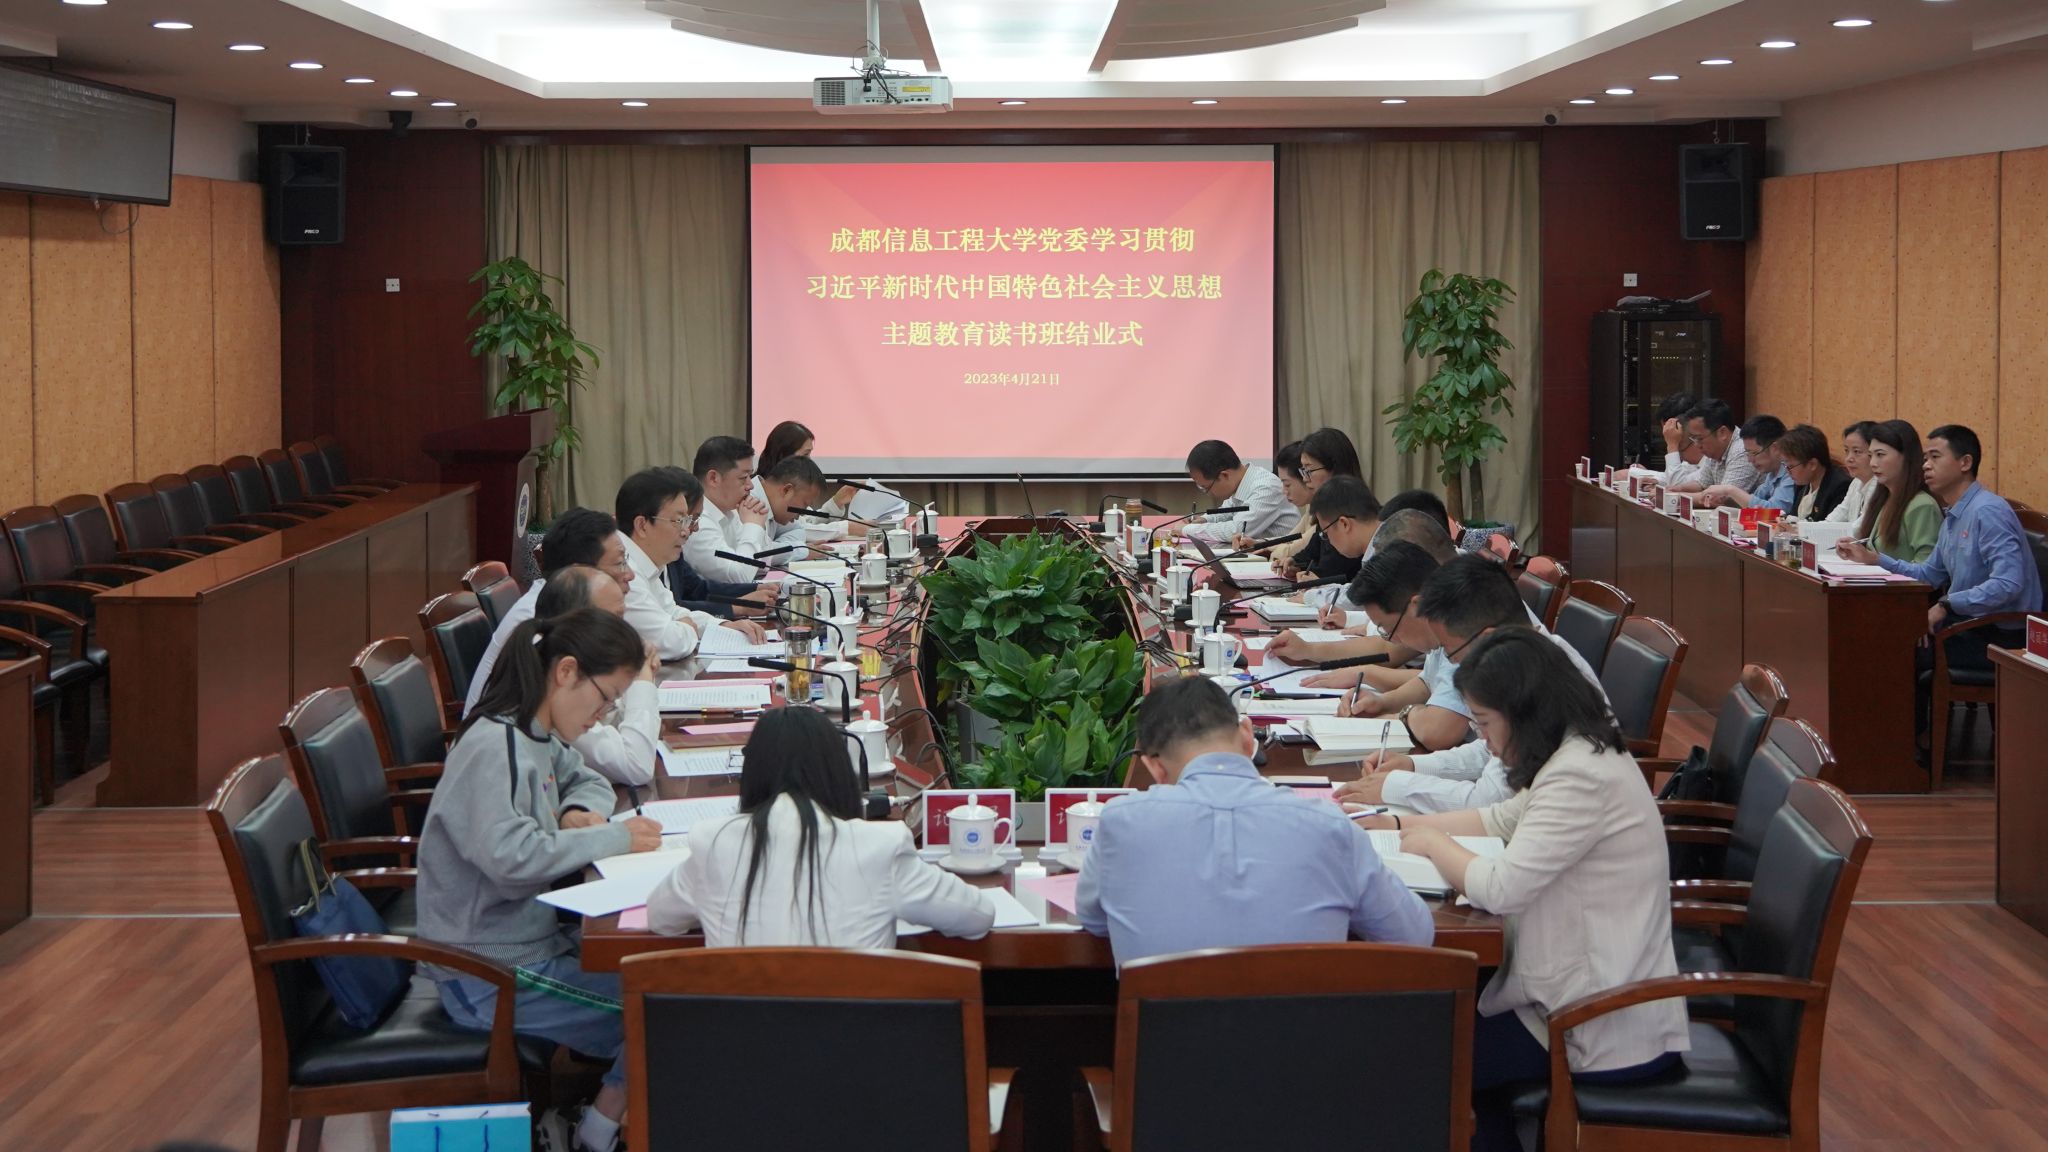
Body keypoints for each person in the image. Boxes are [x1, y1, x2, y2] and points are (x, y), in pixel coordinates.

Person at [1359, 630, 1687, 1151]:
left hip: (1595, 1016)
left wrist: (1432, 842)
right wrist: (1397, 824)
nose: (1484, 741)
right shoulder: (1572, 753)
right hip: (1567, 991)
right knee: (1427, 1046)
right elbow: (1499, 819)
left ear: (1525, 711)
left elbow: (1501, 888)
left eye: (1485, 723)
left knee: (1414, 1064)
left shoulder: (1580, 776)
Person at [418, 607, 665, 1152]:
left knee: (663, 980)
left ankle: (603, 1120)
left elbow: (589, 780)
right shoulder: (495, 746)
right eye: (605, 698)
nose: (602, 716)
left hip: (528, 943)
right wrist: (612, 839)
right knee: (663, 1010)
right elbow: (512, 860)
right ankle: (593, 1135)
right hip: (488, 972)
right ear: (566, 671)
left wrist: (574, 810)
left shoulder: (533, 732)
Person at [1073, 676, 1433, 967]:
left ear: (1154, 768)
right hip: (1307, 1037)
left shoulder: (1120, 823)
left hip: (1168, 1038)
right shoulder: (1329, 825)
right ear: (1248, 737)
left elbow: (1094, 920)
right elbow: (1413, 935)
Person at [647, 707, 995, 944]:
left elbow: (661, 918)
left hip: (741, 1035)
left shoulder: (713, 842)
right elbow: (977, 916)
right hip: (858, 1033)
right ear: (839, 772)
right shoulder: (881, 846)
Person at [1335, 553, 1609, 812]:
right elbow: (1490, 754)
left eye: (1450, 651)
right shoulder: (1527, 660)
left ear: (1486, 639)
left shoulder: (1537, 681)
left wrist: (1396, 787)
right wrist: (1414, 765)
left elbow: (1489, 798)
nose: (1452, 664)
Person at [1839, 424, 2042, 736]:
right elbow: (1928, 574)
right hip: (1969, 626)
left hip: (2001, 637)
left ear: (1965, 462)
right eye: (1924, 458)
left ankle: (1899, 744)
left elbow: (2008, 584)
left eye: (1935, 457)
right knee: (1881, 637)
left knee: (1892, 647)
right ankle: (1891, 741)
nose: (1926, 465)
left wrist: (1946, 605)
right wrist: (1875, 559)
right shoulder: (1954, 515)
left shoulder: (1988, 512)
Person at [467, 507, 635, 717]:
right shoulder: (544, 621)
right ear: (579, 571)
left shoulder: (566, 603)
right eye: (620, 563)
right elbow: (580, 717)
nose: (630, 574)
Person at [527, 566, 663, 788]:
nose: (620, 630)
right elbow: (636, 765)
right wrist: (641, 679)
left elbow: (587, 784)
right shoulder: (550, 697)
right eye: (614, 621)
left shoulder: (563, 688)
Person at [615, 466, 764, 662]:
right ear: (642, 525)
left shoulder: (648, 564)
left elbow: (674, 611)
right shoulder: (624, 571)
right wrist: (686, 627)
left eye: (687, 520)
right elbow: (669, 643)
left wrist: (721, 626)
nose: (687, 531)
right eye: (679, 521)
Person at [1837, 419, 1939, 563]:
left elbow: (1926, 568)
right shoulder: (1885, 498)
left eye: (1880, 455)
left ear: (1906, 457)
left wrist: (1874, 559)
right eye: (1871, 456)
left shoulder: (1922, 505)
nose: (1873, 463)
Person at [682, 436, 777, 583]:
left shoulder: (731, 510)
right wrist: (753, 526)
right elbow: (740, 577)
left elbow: (763, 565)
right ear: (713, 478)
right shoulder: (698, 523)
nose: (750, 485)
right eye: (743, 477)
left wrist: (755, 526)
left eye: (750, 476)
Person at [1279, 427, 1368, 581]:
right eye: (1303, 471)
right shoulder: (1326, 508)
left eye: (1309, 471)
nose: (1305, 479)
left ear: (1334, 467)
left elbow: (1336, 569)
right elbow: (1314, 549)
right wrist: (1296, 563)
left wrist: (1315, 578)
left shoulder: (1352, 510)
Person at [1178, 439, 1296, 542]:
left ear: (1224, 475)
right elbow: (1226, 512)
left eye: (1206, 488)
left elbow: (1236, 530)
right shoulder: (1242, 482)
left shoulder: (1265, 487)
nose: (1208, 494)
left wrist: (1187, 530)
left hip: (1283, 556)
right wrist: (1204, 519)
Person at [758, 419, 860, 514]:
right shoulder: (758, 497)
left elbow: (804, 522)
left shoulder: (789, 487)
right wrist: (847, 525)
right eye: (805, 454)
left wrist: (837, 502)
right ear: (784, 455)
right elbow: (803, 525)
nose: (809, 461)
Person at [1662, 398, 1758, 494]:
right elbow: (1702, 484)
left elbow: (1722, 497)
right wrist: (1678, 489)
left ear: (1722, 433)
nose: (1697, 445)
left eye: (1699, 438)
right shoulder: (1716, 452)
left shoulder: (1742, 450)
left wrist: (1676, 495)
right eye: (1694, 439)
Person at [1238, 440, 1311, 565]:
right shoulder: (1312, 506)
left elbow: (1300, 545)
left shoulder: (1329, 508)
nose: (1283, 491)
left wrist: (1270, 552)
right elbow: (1291, 538)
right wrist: (1258, 544)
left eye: (1287, 484)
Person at [1698, 415, 1791, 509]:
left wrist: (1730, 490)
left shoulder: (1790, 471)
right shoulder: (1772, 474)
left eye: (1754, 453)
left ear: (1775, 448)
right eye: (1748, 453)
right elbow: (1756, 500)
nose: (1750, 460)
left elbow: (1777, 510)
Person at [1777, 423, 1853, 521]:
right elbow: (1794, 516)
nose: (1788, 472)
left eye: (1791, 466)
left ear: (1812, 464)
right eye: (1786, 466)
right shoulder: (1802, 483)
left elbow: (1828, 526)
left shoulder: (1840, 486)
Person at [1824, 420, 1878, 526]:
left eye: (1857, 452)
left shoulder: (1881, 487)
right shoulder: (1856, 482)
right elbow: (1841, 512)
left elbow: (1863, 527)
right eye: (1846, 451)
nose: (1849, 459)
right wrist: (1811, 529)